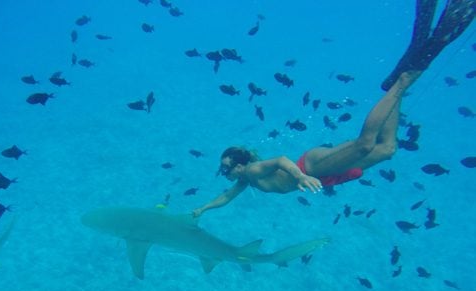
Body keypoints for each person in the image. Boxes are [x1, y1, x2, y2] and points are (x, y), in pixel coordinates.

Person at [192, 0, 474, 218]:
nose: (224, 173)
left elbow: (279, 160)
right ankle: (396, 88)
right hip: (322, 176)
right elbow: (226, 197)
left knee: (365, 144)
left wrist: (301, 176)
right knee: (386, 149)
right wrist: (203, 209)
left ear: (238, 164)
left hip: (311, 167)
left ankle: (401, 83)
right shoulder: (246, 181)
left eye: (225, 167)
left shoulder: (252, 170)